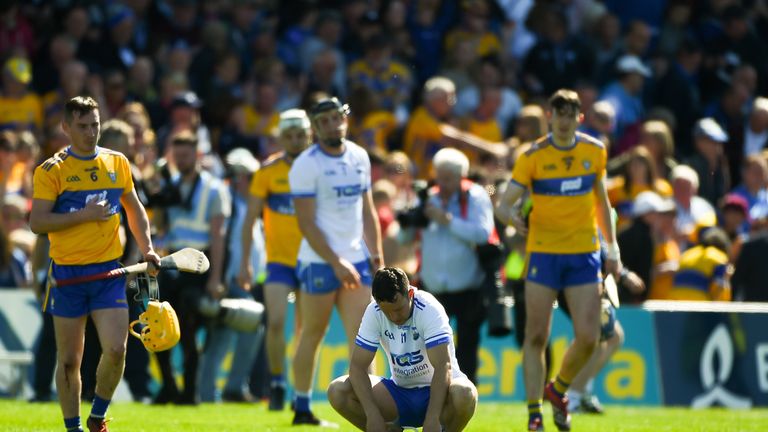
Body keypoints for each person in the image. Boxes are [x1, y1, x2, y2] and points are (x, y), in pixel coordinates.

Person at [29, 96, 161, 432]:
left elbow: (135, 209)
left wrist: (147, 249)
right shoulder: (51, 170)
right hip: (67, 276)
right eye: (83, 126)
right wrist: (83, 216)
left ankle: (98, 417)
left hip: (108, 272)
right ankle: (72, 427)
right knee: (70, 360)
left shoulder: (117, 163)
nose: (91, 133)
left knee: (116, 349)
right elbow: (38, 223)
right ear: (66, 127)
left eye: (95, 125)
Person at [494, 89, 621, 431]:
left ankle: (558, 388)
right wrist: (512, 219)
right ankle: (535, 414)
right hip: (543, 255)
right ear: (550, 116)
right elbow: (503, 205)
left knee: (588, 337)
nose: (564, 119)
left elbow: (601, 202)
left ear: (580, 117)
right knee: (535, 337)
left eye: (571, 113)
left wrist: (613, 249)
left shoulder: (594, 151)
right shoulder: (533, 156)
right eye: (558, 113)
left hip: (583, 255)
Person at [288, 97, 383, 425]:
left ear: (345, 117)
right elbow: (306, 223)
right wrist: (335, 261)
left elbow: (368, 210)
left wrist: (376, 256)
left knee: (363, 337)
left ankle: (372, 408)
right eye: (323, 121)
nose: (332, 125)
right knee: (313, 332)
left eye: (336, 118)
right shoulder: (306, 164)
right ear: (315, 127)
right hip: (318, 260)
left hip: (356, 260)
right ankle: (301, 406)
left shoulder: (359, 156)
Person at [327, 267, 478, 432]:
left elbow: (443, 366)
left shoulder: (429, 308)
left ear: (410, 294)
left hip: (440, 396)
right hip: (399, 393)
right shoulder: (374, 311)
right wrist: (372, 415)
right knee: (337, 390)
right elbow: (357, 367)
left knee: (465, 392)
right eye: (387, 312)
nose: (394, 317)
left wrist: (432, 417)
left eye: (398, 309)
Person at [237, 108, 313, 410]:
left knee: (306, 332)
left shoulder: (317, 169)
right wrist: (245, 261)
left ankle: (300, 390)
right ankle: (278, 382)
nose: (295, 141)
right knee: (277, 322)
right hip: (279, 261)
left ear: (308, 136)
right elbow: (250, 220)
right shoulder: (267, 172)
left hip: (311, 260)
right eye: (289, 136)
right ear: (281, 138)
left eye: (300, 135)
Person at [152, 129, 231, 405]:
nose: (182, 161)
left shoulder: (215, 188)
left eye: (187, 155)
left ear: (197, 155)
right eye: (178, 156)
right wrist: (158, 195)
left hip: (199, 264)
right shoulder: (169, 184)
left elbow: (219, 236)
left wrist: (216, 278)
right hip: (171, 262)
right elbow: (161, 226)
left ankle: (188, 391)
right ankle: (168, 385)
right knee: (157, 323)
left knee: (187, 327)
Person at [404, 147, 495, 384]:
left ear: (461, 176)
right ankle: (430, 392)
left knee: (467, 346)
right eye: (440, 177)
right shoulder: (427, 198)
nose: (442, 183)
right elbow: (405, 238)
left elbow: (483, 233)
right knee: (428, 347)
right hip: (433, 287)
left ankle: (466, 395)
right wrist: (409, 218)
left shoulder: (475, 196)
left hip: (468, 286)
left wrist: (446, 220)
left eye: (449, 178)